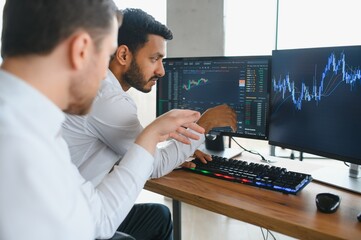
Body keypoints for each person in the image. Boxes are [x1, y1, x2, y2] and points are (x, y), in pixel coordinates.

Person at [0, 1, 206, 240]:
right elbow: (98, 223)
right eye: (104, 54)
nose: (103, 75)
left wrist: (150, 136)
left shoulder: (31, 122)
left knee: (156, 217)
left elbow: (93, 213)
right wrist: (151, 136)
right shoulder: (23, 145)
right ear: (80, 50)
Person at [62, 8, 237, 240]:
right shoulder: (108, 98)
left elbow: (137, 153)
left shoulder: (100, 86)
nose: (162, 71)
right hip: (72, 220)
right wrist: (204, 123)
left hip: (79, 201)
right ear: (123, 55)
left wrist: (178, 155)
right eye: (154, 59)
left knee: (159, 217)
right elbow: (154, 165)